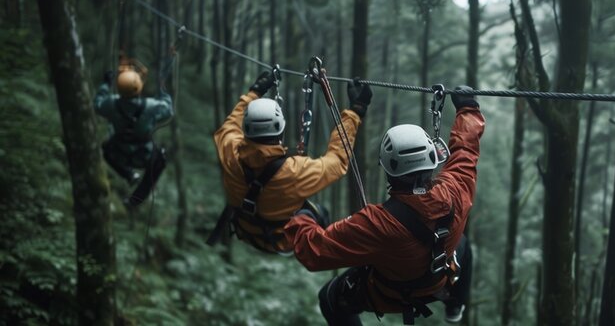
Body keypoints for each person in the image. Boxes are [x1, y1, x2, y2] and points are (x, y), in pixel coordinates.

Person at [283, 85, 484, 325]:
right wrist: (468, 108)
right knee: (463, 244)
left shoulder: (375, 224)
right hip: (438, 280)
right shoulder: (456, 190)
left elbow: (312, 252)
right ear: (433, 159)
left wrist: (303, 216)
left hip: (388, 294)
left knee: (329, 298)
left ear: (388, 170)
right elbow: (466, 150)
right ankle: (455, 303)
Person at [210, 71, 371, 254]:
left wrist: (254, 92)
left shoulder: (229, 151)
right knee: (320, 213)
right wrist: (355, 111)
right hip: (280, 240)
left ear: (246, 129)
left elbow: (229, 125)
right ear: (281, 131)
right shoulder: (295, 172)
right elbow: (337, 160)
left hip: (245, 230)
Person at [94, 57, 172, 210]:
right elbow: (168, 110)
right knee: (160, 161)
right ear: (139, 87)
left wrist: (105, 84)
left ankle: (128, 175)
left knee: (105, 149)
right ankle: (135, 200)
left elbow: (97, 105)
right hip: (144, 156)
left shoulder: (111, 103)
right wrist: (163, 90)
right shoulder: (151, 106)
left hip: (119, 154)